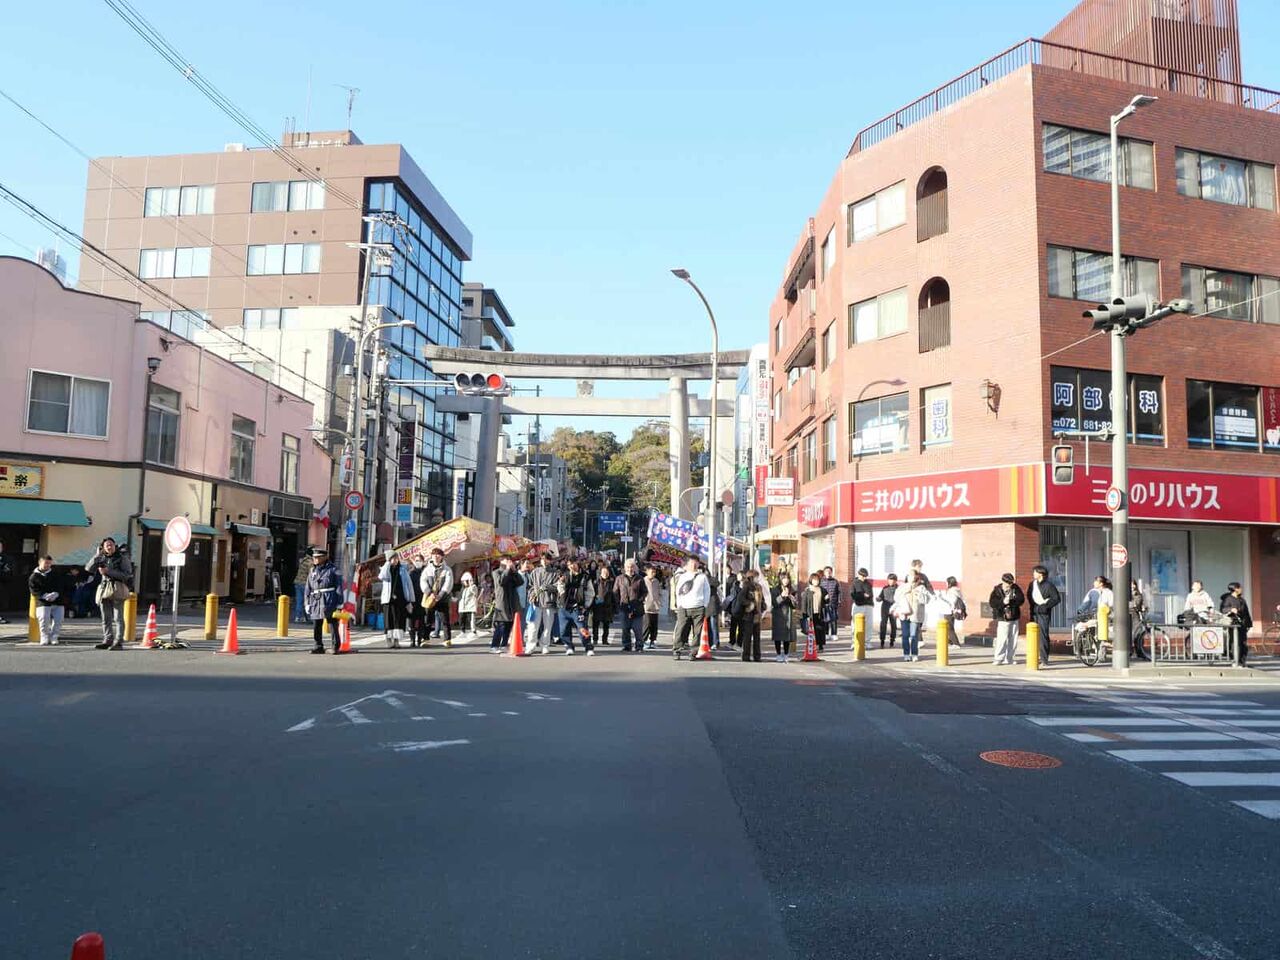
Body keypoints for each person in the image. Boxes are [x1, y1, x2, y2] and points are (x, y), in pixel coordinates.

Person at [90, 537, 133, 650]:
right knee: (105, 618)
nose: (109, 547)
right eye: (106, 545)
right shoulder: (101, 558)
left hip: (117, 588)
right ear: (103, 547)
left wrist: (108, 572)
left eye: (111, 545)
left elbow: (127, 575)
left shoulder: (122, 558)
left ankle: (118, 641)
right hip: (104, 589)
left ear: (115, 546)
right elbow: (88, 568)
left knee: (118, 617)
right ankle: (107, 639)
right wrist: (97, 556)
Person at [303, 547, 343, 654]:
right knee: (316, 623)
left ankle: (335, 646)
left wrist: (340, 603)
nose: (315, 559)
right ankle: (318, 645)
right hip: (315, 599)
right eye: (314, 557)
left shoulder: (334, 569)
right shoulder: (312, 570)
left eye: (318, 557)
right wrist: (306, 603)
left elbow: (339, 587)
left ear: (325, 557)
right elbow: (308, 587)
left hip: (329, 598)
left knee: (332, 623)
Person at [671, 556, 710, 660]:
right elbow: (678, 591)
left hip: (699, 607)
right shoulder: (683, 577)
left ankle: (693, 652)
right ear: (687, 564)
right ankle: (677, 650)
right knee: (681, 629)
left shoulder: (702, 577)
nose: (694, 565)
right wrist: (679, 604)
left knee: (697, 632)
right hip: (684, 607)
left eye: (696, 563)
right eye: (692, 563)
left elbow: (707, 591)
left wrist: (705, 604)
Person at [556, 558, 596, 655]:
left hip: (578, 607)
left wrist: (586, 605)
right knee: (563, 630)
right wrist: (561, 583)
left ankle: (588, 647)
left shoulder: (585, 577)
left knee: (582, 629)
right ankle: (569, 646)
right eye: (569, 564)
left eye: (574, 564)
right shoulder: (565, 575)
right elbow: (560, 589)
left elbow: (590, 592)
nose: (572, 566)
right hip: (564, 607)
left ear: (578, 564)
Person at [28, 555, 69, 646]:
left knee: (59, 620)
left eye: (50, 563)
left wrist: (56, 593)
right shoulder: (34, 576)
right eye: (46, 563)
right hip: (43, 602)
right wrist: (44, 595)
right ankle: (44, 636)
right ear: (40, 563)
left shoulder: (56, 573)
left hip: (58, 600)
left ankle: (54, 636)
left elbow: (61, 586)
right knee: (44, 619)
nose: (48, 565)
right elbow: (34, 590)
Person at [377, 551, 414, 648]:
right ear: (389, 559)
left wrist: (410, 598)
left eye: (397, 558)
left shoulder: (402, 569)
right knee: (388, 620)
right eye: (393, 558)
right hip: (388, 599)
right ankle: (389, 640)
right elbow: (382, 576)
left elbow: (408, 583)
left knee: (399, 620)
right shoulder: (386, 569)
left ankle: (397, 641)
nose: (395, 560)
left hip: (401, 598)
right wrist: (387, 564)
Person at [1026, 565, 1061, 666]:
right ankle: (1034, 657)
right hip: (1034, 612)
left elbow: (1056, 599)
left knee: (1043, 636)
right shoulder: (1032, 584)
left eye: (1035, 572)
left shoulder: (1049, 585)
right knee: (1033, 636)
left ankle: (1044, 659)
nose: (1033, 574)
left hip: (1043, 614)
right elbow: (1029, 596)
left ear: (1041, 574)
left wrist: (1045, 606)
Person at [420, 549, 455, 647]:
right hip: (430, 598)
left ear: (442, 556)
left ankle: (447, 639)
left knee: (445, 620)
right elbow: (423, 582)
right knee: (428, 619)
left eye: (438, 555)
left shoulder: (447, 569)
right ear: (431, 556)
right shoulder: (427, 569)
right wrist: (429, 593)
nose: (436, 556)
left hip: (442, 599)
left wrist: (441, 594)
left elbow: (448, 583)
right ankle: (425, 639)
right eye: (434, 554)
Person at [989, 573, 1024, 666]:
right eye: (1007, 583)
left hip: (1014, 616)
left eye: (1011, 583)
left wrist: (1012, 601)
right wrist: (1003, 602)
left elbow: (1021, 599)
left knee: (1013, 639)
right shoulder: (997, 590)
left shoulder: (1015, 588)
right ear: (1003, 581)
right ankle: (998, 658)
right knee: (1002, 639)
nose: (1009, 585)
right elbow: (992, 603)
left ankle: (1009, 658)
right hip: (1003, 617)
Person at [490, 557, 524, 652]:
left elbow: (520, 582)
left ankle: (504, 644)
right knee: (501, 624)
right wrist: (508, 569)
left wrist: (514, 571)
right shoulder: (496, 572)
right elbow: (501, 581)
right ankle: (494, 645)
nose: (509, 562)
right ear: (501, 561)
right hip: (502, 601)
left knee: (509, 623)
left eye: (510, 560)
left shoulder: (511, 573)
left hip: (512, 601)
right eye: (506, 560)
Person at [733, 569, 767, 662]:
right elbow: (741, 598)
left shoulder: (759, 587)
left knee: (757, 637)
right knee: (747, 637)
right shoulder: (747, 586)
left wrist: (763, 605)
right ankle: (746, 656)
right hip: (748, 615)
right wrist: (749, 603)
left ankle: (757, 656)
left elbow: (762, 599)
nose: (757, 578)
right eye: (756, 576)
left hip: (758, 615)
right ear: (751, 577)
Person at [614, 558, 647, 652]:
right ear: (625, 568)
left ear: (635, 567)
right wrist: (619, 603)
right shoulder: (619, 578)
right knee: (625, 628)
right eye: (628, 567)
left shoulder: (639, 578)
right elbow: (615, 592)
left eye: (632, 567)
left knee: (637, 629)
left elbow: (645, 592)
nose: (630, 569)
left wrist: (639, 600)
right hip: (624, 607)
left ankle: (639, 646)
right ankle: (627, 646)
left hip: (637, 607)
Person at [528, 555, 561, 649]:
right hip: (537, 602)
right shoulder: (535, 572)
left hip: (549, 602)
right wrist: (531, 595)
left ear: (550, 561)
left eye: (546, 559)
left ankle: (545, 645)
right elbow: (530, 586)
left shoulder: (555, 573)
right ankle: (530, 646)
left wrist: (547, 587)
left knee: (548, 626)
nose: (544, 561)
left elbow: (558, 587)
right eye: (543, 559)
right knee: (533, 626)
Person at [896, 572, 929, 662]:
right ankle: (906, 654)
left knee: (914, 635)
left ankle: (914, 654)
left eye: (914, 578)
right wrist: (907, 589)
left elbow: (926, 600)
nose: (913, 580)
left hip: (915, 615)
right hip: (904, 614)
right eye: (911, 577)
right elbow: (896, 598)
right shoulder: (902, 587)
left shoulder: (921, 588)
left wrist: (919, 595)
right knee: (905, 635)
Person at [1220, 582, 1252, 666]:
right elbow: (1223, 609)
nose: (1241, 589)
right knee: (1235, 643)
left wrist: (1249, 624)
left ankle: (1242, 661)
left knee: (1243, 643)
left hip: (1243, 624)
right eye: (1239, 588)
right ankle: (1235, 660)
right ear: (1235, 589)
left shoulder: (1242, 600)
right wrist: (1231, 609)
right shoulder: (1228, 599)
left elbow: (1246, 613)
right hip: (1233, 624)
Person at [771, 571, 797, 662]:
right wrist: (781, 596)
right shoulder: (775, 590)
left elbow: (794, 605)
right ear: (780, 579)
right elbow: (774, 603)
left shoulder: (792, 589)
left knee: (787, 635)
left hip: (788, 614)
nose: (786, 580)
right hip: (778, 614)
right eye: (784, 578)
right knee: (778, 635)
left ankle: (786, 654)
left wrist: (792, 599)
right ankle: (778, 654)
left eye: (787, 578)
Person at [799, 573, 827, 652]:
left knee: (821, 630)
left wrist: (827, 599)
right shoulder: (808, 591)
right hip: (811, 613)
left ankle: (820, 646)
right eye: (814, 580)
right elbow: (804, 604)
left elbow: (826, 601)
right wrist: (804, 614)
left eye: (817, 580)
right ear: (811, 580)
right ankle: (813, 645)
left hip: (820, 613)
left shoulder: (822, 590)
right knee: (813, 630)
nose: (816, 581)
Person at [591, 564, 617, 646]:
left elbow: (614, 595)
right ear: (600, 573)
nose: (605, 574)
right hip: (598, 606)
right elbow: (592, 593)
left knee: (606, 625)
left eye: (606, 572)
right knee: (596, 624)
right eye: (603, 572)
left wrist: (615, 607)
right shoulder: (596, 582)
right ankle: (595, 639)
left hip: (608, 606)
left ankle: (605, 640)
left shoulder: (611, 582)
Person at [642, 565, 664, 650]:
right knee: (647, 625)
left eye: (654, 572)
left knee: (654, 626)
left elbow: (659, 592)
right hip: (646, 607)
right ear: (647, 572)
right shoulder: (643, 581)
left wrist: (660, 601)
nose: (653, 574)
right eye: (651, 572)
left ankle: (653, 640)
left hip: (655, 606)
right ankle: (643, 641)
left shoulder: (656, 581)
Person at [1129, 579, 1151, 661]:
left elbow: (1136, 605)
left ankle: (1139, 652)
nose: (1133, 586)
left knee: (1137, 634)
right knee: (1129, 635)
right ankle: (1131, 651)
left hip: (1135, 616)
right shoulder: (1125, 594)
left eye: (1134, 584)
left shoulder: (1138, 594)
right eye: (1131, 584)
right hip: (1127, 616)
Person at [850, 568, 874, 642]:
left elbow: (870, 595)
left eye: (865, 576)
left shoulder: (868, 584)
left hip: (868, 605)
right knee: (855, 624)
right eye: (863, 576)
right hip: (858, 605)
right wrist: (863, 595)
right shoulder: (854, 583)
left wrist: (865, 595)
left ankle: (867, 642)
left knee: (869, 625)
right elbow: (853, 595)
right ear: (858, 575)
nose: (864, 578)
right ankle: (855, 642)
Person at [408, 558, 427, 647]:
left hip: (423, 599)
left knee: (421, 621)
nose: (417, 562)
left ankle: (420, 639)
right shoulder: (411, 573)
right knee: (411, 621)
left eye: (419, 560)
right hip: (413, 599)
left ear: (423, 561)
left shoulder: (426, 572)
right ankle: (412, 640)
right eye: (416, 560)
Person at [820, 566, 842, 644]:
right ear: (824, 572)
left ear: (831, 572)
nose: (828, 573)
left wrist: (839, 601)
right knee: (825, 619)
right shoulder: (821, 581)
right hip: (824, 603)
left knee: (833, 619)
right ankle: (826, 633)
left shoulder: (835, 581)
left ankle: (834, 634)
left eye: (829, 571)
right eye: (826, 571)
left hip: (833, 603)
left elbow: (839, 592)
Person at [876, 574, 899, 648]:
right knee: (883, 624)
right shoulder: (885, 588)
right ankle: (882, 641)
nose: (891, 581)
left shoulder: (898, 589)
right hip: (885, 608)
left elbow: (900, 599)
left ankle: (892, 640)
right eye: (889, 579)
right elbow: (881, 597)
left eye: (893, 580)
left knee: (893, 625)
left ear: (895, 581)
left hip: (893, 608)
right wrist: (878, 598)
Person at [292, 551, 313, 623]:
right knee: (307, 601)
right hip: (305, 583)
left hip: (298, 582)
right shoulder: (310, 562)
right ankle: (306, 617)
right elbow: (312, 574)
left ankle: (298, 617)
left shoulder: (303, 560)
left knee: (299, 601)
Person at [458, 571, 479, 639]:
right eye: (463, 581)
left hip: (470, 606)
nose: (464, 582)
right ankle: (462, 631)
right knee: (461, 619)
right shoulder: (463, 588)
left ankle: (473, 631)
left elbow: (475, 593)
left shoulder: (473, 587)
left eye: (465, 581)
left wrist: (471, 584)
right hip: (462, 607)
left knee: (471, 620)